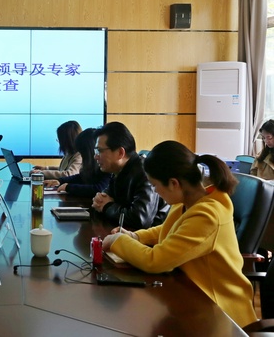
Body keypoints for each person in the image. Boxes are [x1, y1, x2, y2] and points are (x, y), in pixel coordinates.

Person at [102, 140, 257, 328]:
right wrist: (136, 237)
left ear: (173, 183)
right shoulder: (188, 200)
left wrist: (118, 241)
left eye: (155, 185)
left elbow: (156, 260)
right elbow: (170, 229)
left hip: (220, 313)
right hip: (193, 296)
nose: (155, 191)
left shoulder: (208, 215)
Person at [91, 121, 168, 229]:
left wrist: (107, 206)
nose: (95, 157)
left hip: (151, 237)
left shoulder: (145, 173)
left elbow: (140, 219)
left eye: (99, 151)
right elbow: (105, 198)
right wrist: (99, 200)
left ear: (120, 153)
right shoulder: (119, 170)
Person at [43, 128, 111, 197]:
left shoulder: (108, 169)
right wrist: (60, 181)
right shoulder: (93, 168)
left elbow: (99, 189)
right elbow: (81, 177)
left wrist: (69, 187)